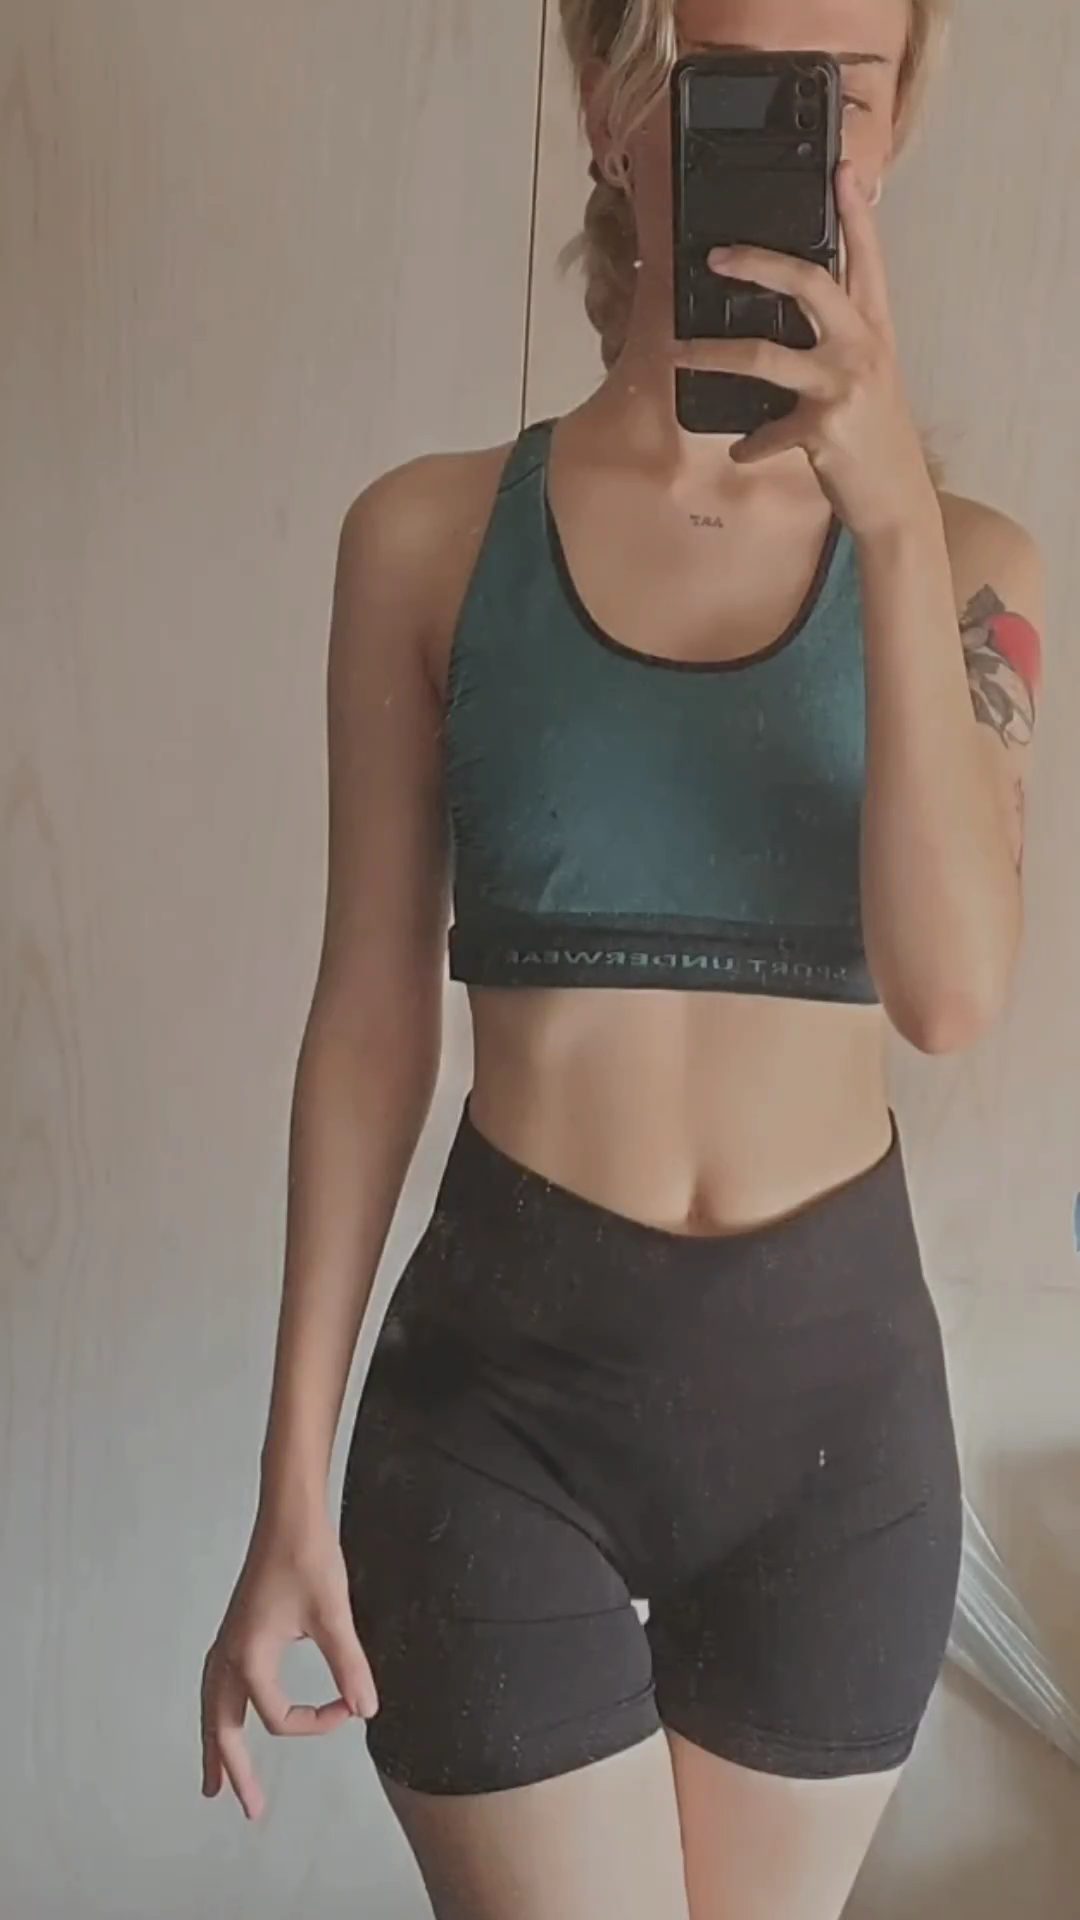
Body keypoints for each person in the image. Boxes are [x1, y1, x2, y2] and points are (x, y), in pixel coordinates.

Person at [200, 2, 1045, 1915]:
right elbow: (366, 1020)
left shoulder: (977, 563)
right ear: (611, 104)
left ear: (896, 133)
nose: (794, 137)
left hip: (842, 1454)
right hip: (496, 1428)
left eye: (841, 93)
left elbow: (950, 994)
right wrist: (287, 1477)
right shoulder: (427, 539)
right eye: (734, 82)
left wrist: (890, 523)